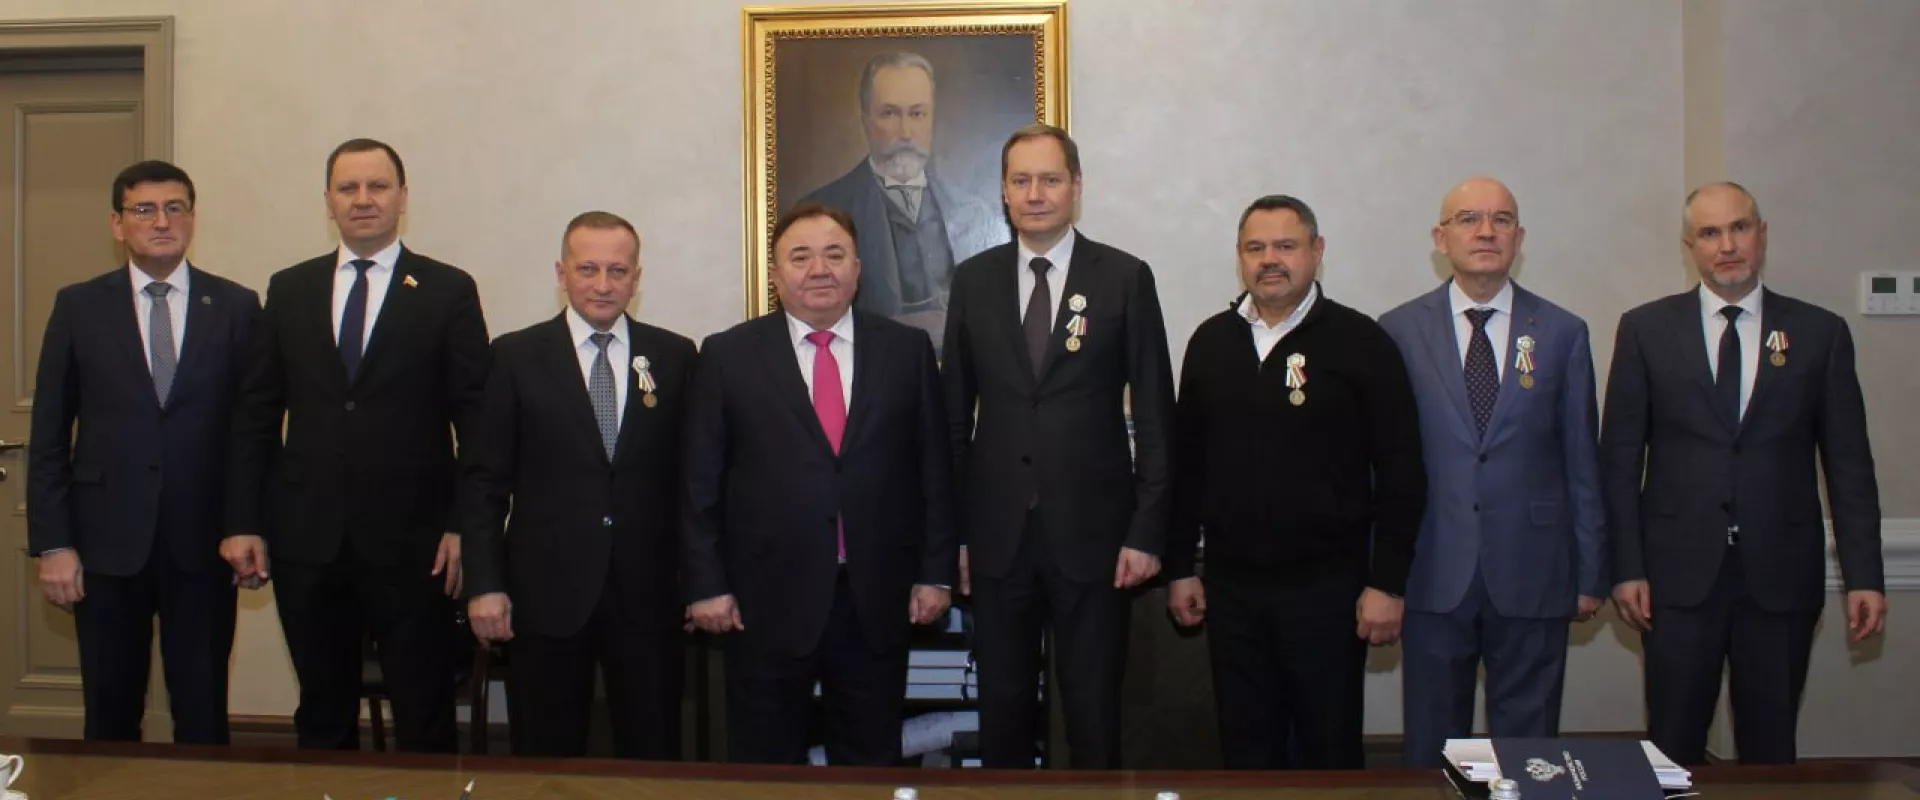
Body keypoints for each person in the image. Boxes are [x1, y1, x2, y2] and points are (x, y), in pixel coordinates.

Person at [1602, 181, 1885, 765]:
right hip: (1676, 581)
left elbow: (1850, 465)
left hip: (1781, 578)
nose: (1727, 245)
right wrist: (1625, 567)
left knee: (1770, 751)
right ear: (1690, 246)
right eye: (1710, 233)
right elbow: (1620, 460)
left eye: (1739, 228)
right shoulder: (1646, 330)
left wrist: (1865, 576)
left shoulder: (1820, 333)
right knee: (1673, 750)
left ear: (1762, 234)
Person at [224, 138, 490, 752]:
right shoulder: (290, 289)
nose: (363, 199)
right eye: (348, 188)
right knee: (323, 712)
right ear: (328, 201)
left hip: (416, 545)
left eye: (378, 186)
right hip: (308, 540)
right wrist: (243, 521)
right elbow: (256, 417)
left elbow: (476, 422)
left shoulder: (447, 290)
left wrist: (464, 526)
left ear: (403, 197)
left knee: (423, 712)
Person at [682, 201, 957, 765]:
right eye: (801, 257)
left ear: (858, 268)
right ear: (776, 274)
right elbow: (699, 482)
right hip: (762, 603)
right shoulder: (727, 355)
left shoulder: (906, 351)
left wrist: (935, 573)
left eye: (834, 255)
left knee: (869, 761)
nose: (819, 270)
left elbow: (934, 470)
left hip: (876, 598)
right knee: (765, 765)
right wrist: (706, 584)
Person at [941, 124, 1176, 769]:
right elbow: (952, 421)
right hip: (997, 539)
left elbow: (1157, 415)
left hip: (1098, 540)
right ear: (1003, 192)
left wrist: (1147, 531)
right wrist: (954, 536)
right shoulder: (974, 280)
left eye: (1049, 179)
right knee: (1003, 712)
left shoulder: (1125, 277)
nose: (1035, 193)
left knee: (1094, 713)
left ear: (1076, 186)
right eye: (1021, 180)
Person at [1166, 194, 1425, 769]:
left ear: (1317, 250)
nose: (1270, 260)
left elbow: (1402, 470)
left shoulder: (1361, 341)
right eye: (1256, 248)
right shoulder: (1211, 342)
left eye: (1286, 245)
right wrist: (1181, 565)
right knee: (1246, 751)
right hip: (1232, 590)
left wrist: (1388, 583)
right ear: (1239, 256)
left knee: (1327, 750)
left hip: (1328, 592)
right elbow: (1188, 466)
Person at [28, 160, 259, 744]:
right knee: (110, 715)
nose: (161, 222)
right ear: (117, 223)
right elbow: (49, 434)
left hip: (204, 546)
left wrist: (247, 525)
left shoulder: (236, 306)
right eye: (145, 210)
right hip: (105, 547)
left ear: (192, 217)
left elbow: (250, 432)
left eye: (174, 208)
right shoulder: (78, 307)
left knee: (203, 715)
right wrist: (54, 544)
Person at [1377, 177, 1606, 768]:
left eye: (1501, 220)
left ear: (1518, 238)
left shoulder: (1563, 332)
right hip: (1432, 569)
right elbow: (1383, 465)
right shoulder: (1397, 331)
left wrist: (1590, 570)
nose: (1485, 232)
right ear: (1441, 238)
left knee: (1529, 753)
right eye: (1469, 219)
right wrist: (1381, 574)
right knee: (1432, 748)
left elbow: (1582, 460)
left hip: (1535, 569)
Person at [463, 211, 693, 759]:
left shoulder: (676, 356)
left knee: (652, 754)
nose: (603, 284)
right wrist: (485, 584)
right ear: (561, 273)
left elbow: (695, 480)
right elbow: (483, 482)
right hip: (546, 594)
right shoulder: (515, 356)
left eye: (618, 270)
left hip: (649, 596)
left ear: (637, 278)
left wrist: (699, 579)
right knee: (546, 756)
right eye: (588, 269)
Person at [800, 50, 1005, 350]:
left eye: (917, 114)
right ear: (865, 120)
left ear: (932, 119)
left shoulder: (974, 213)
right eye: (890, 114)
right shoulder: (821, 213)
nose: (906, 132)